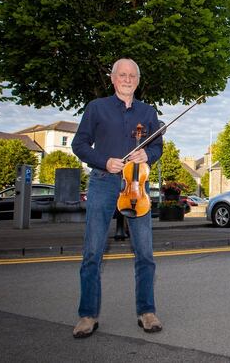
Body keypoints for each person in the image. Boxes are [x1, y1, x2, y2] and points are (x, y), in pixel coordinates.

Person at [71, 58, 164, 338]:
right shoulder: (96, 108)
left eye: (132, 75)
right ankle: (87, 316)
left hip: (137, 185)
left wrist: (147, 154)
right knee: (92, 253)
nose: (127, 79)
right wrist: (104, 161)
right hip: (103, 182)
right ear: (113, 79)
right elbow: (79, 144)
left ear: (138, 80)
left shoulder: (148, 113)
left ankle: (146, 311)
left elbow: (157, 145)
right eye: (122, 75)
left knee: (145, 253)